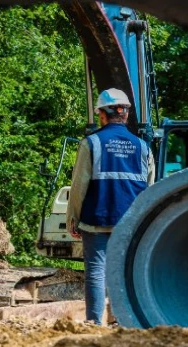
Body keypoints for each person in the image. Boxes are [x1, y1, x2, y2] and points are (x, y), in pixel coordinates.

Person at [66, 88, 155, 325]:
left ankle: (94, 324)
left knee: (96, 272)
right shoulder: (143, 147)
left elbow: (79, 186)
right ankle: (125, 322)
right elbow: (150, 188)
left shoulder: (91, 143)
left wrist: (73, 217)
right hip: (130, 222)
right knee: (126, 274)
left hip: (96, 218)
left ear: (102, 115)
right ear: (125, 114)